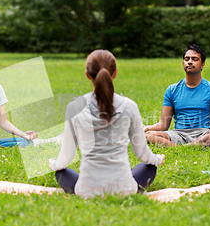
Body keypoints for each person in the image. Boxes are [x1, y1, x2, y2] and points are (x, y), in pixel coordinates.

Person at [48, 50, 165, 199]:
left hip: (86, 190)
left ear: (87, 74)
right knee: (150, 167)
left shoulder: (74, 107)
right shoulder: (130, 106)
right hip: (125, 189)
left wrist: (55, 165)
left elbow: (67, 155)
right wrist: (156, 159)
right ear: (115, 73)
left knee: (61, 172)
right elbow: (141, 152)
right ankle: (124, 179)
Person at [143, 44, 210, 147]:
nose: (189, 62)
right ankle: (190, 147)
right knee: (147, 136)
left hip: (204, 133)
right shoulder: (172, 90)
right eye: (186, 59)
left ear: (202, 64)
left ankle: (178, 148)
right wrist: (146, 128)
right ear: (183, 63)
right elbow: (163, 125)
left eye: (194, 59)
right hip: (178, 134)